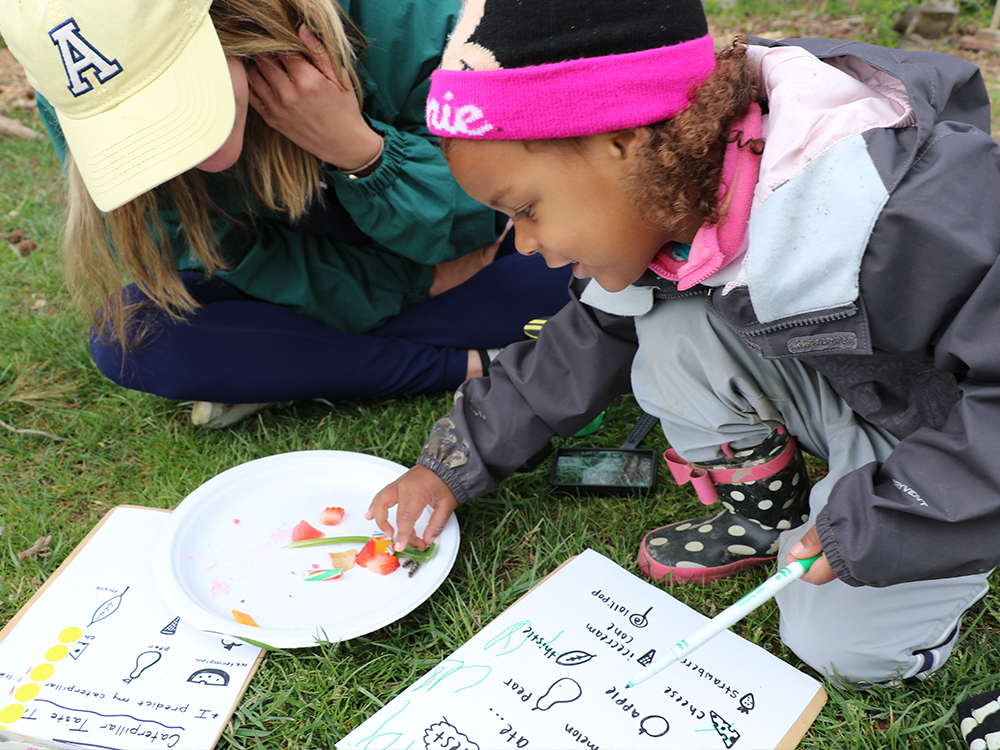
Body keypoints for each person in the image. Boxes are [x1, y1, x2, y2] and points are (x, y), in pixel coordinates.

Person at [367, 0, 1000, 687]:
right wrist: (453, 463)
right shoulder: (678, 199)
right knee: (667, 329)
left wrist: (887, 518)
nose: (523, 244)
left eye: (525, 210)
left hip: (951, 454)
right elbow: (586, 338)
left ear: (623, 143)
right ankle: (774, 519)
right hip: (868, 401)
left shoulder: (898, 216)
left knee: (843, 650)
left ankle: (914, 597)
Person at [0, 0, 570, 427]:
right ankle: (468, 363)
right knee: (134, 335)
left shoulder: (398, 17)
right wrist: (415, 284)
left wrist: (363, 153)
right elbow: (212, 252)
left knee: (579, 263)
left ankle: (296, 362)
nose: (170, 148)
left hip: (471, 253)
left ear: (232, 19)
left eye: (169, 96)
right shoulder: (71, 87)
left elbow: (490, 214)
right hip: (357, 286)